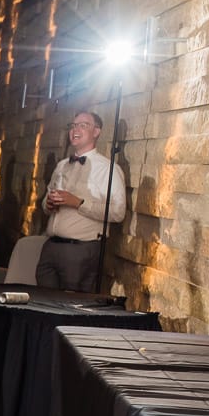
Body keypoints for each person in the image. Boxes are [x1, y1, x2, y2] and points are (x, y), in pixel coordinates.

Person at [37, 109, 124, 292]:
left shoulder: (108, 169)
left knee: (71, 305)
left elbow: (117, 212)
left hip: (81, 251)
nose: (75, 129)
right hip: (51, 246)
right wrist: (48, 204)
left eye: (83, 125)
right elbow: (45, 203)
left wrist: (78, 203)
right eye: (73, 125)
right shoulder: (61, 165)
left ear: (96, 132)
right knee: (42, 301)